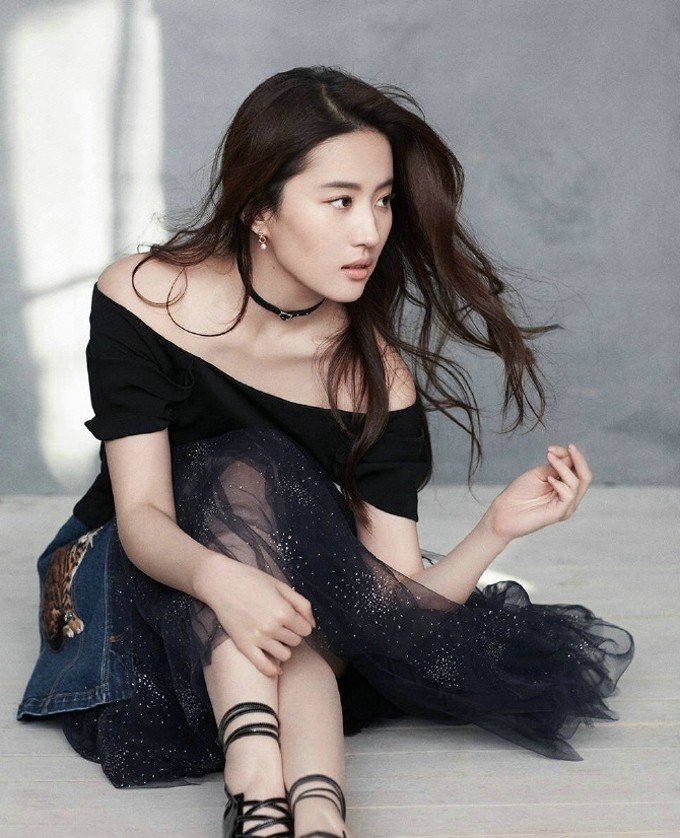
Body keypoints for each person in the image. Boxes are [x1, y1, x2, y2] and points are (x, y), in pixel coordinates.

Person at [18, 66, 633, 838]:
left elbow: (387, 610)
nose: (369, 231)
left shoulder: (373, 378)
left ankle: (303, 815)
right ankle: (259, 778)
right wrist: (223, 579)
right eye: (340, 200)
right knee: (240, 468)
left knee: (299, 609)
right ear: (259, 209)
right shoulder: (147, 297)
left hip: (286, 626)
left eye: (383, 200)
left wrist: (496, 529)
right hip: (131, 582)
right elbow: (141, 514)